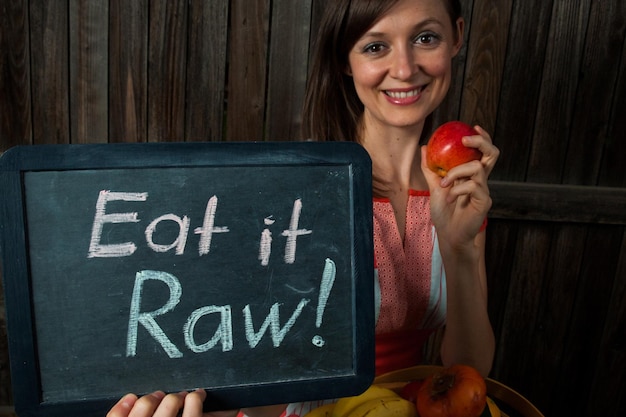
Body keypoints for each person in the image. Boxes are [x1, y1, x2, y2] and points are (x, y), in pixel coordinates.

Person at [107, 0, 498, 416]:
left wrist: (459, 249)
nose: (403, 69)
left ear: (456, 37)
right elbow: (249, 352)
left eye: (425, 38)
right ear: (344, 60)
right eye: (375, 47)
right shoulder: (292, 188)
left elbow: (469, 375)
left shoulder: (457, 188)